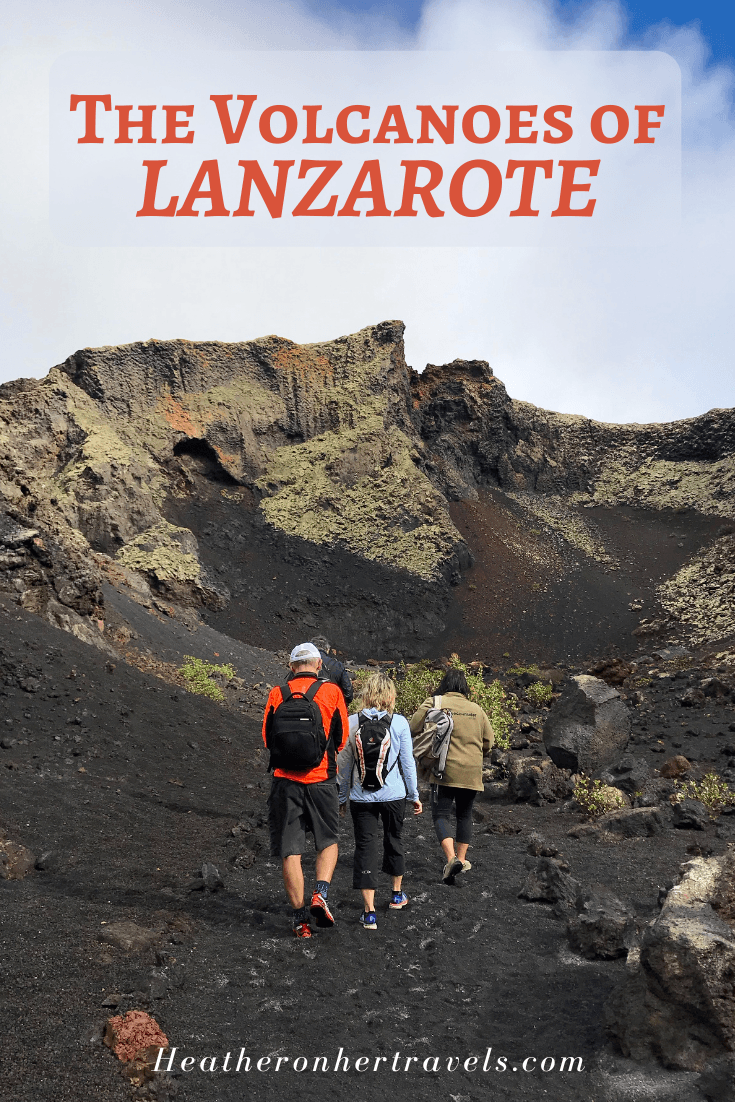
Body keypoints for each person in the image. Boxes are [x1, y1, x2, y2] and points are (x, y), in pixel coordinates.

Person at [262, 642, 349, 939]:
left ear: (291, 667)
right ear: (319, 664)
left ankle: (301, 922)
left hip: (285, 782)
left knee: (291, 851)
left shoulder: (277, 693)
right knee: (327, 841)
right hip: (322, 779)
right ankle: (320, 894)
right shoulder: (332, 692)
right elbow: (341, 740)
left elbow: (267, 739)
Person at [338, 672, 422, 930]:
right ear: (390, 696)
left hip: (361, 797)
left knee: (365, 847)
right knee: (393, 839)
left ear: (366, 694)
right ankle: (396, 895)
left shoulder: (352, 722)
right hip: (394, 795)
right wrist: (414, 795)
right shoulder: (399, 723)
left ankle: (369, 912)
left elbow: (343, 764)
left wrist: (342, 797)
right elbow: (408, 763)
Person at [410, 668, 494, 885]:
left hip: (444, 771)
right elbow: (489, 743)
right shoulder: (477, 709)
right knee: (464, 815)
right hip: (472, 773)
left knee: (441, 814)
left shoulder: (434, 702)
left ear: (444, 684)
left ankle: (451, 860)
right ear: (464, 687)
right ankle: (462, 860)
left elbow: (412, 727)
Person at [310, 634, 354, 705]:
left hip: (307, 710)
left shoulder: (302, 665)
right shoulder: (337, 665)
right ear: (327, 649)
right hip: (330, 709)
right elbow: (348, 695)